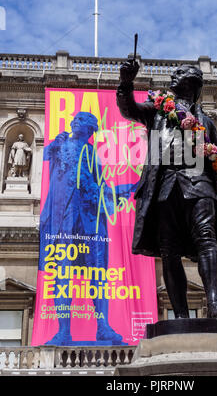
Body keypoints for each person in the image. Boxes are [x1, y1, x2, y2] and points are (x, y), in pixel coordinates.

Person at [116, 60, 217, 321]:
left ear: (193, 82)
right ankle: (180, 315)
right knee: (169, 249)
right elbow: (128, 109)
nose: (173, 76)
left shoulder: (206, 122)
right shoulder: (157, 112)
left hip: (199, 183)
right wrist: (126, 82)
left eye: (180, 74)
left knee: (207, 238)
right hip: (164, 184)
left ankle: (213, 303)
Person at [39, 111, 136, 344]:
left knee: (99, 275)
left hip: (91, 219)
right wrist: (55, 144)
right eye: (78, 120)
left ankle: (103, 326)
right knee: (62, 273)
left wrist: (122, 189)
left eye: (84, 122)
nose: (76, 123)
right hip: (64, 217)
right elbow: (45, 156)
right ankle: (63, 331)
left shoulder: (93, 154)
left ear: (91, 130)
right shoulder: (60, 144)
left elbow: (98, 187)